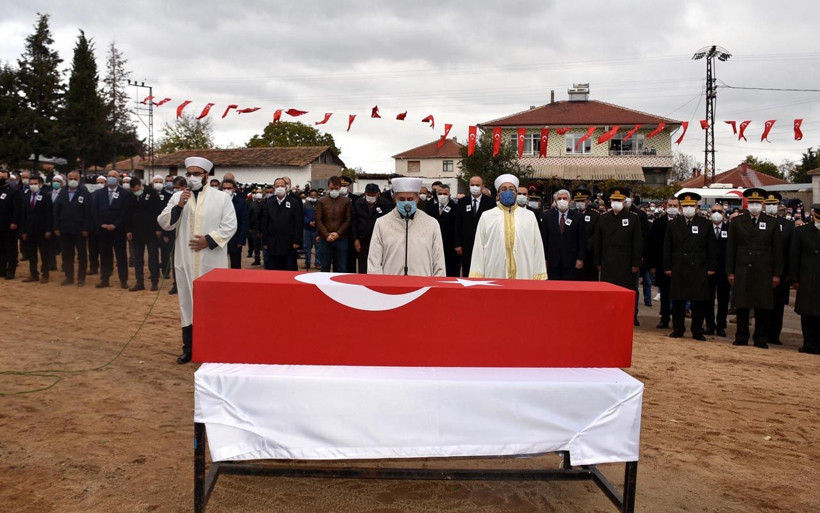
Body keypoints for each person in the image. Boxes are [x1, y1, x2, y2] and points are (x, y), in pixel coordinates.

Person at [157, 157, 237, 364]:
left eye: (196, 174)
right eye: (189, 173)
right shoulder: (177, 197)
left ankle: (213, 349)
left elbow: (230, 226)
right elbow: (164, 222)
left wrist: (208, 240)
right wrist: (179, 206)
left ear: (206, 176)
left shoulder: (221, 198)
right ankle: (189, 349)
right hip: (184, 260)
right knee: (187, 303)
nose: (192, 177)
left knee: (212, 305)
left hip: (211, 261)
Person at [727, 188, 783, 349]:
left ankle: (760, 338)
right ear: (747, 204)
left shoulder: (772, 222)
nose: (754, 205)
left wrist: (777, 273)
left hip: (763, 270)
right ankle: (741, 336)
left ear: (763, 204)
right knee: (742, 305)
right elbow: (731, 249)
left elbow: (777, 250)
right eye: (752, 202)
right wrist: (730, 272)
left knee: (762, 306)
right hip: (742, 268)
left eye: (757, 202)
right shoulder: (737, 222)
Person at [469, 174, 546, 280]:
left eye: (511, 189)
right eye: (504, 189)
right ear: (498, 194)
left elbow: (537, 246)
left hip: (524, 272)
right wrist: (477, 276)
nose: (508, 192)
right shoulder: (487, 216)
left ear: (516, 193)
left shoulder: (529, 216)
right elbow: (478, 247)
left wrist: (539, 274)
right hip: (494, 272)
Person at [663, 193, 716, 340]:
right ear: (681, 207)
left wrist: (711, 267)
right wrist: (667, 267)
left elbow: (711, 248)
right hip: (679, 267)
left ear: (697, 207)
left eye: (691, 206)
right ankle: (678, 328)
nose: (688, 208)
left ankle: (697, 330)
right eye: (685, 206)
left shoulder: (706, 224)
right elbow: (667, 248)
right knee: (678, 300)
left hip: (699, 267)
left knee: (698, 301)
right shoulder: (673, 224)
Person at [368, 177, 445, 276]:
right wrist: (378, 283)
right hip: (391, 282)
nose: (406, 203)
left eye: (410, 199)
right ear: (395, 199)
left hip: (423, 282)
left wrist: (437, 284)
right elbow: (374, 261)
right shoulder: (382, 223)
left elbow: (439, 261)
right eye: (401, 199)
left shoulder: (431, 223)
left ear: (417, 199)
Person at [596, 187, 642, 325]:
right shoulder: (603, 218)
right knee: (608, 291)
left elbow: (637, 242)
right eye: (614, 200)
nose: (616, 202)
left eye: (619, 200)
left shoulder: (633, 218)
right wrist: (598, 261)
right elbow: (598, 241)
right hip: (608, 261)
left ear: (624, 202)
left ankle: (627, 316)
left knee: (626, 291)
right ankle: (607, 316)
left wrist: (636, 263)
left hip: (625, 263)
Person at [92, 170, 131, 289]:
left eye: (113, 176)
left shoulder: (124, 194)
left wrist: (116, 224)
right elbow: (95, 211)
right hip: (103, 230)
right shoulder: (99, 193)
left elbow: (125, 212)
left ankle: (123, 280)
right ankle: (105, 279)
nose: (111, 178)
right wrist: (101, 224)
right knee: (105, 256)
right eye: (109, 176)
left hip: (118, 231)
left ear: (118, 179)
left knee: (121, 256)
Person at [53, 170, 92, 286]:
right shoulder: (62, 192)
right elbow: (56, 211)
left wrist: (86, 228)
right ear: (66, 180)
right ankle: (69, 277)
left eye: (75, 179)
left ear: (79, 180)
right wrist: (56, 227)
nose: (73, 181)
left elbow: (88, 213)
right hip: (64, 229)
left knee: (82, 255)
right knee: (66, 254)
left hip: (80, 230)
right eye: (70, 179)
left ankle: (81, 278)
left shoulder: (85, 193)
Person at [764, 193, 794, 345]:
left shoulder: (788, 225)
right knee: (762, 304)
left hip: (780, 272)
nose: (771, 206)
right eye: (768, 204)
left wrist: (789, 273)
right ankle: (761, 332)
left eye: (773, 204)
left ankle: (775, 334)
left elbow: (791, 250)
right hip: (762, 270)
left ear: (778, 205)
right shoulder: (758, 222)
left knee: (778, 306)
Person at [790, 204, 820, 354]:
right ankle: (808, 343)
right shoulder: (802, 231)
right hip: (808, 277)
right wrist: (794, 278)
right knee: (807, 313)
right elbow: (794, 256)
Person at [125, 177, 164, 291]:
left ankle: (154, 281)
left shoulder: (151, 193)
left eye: (136, 189)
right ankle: (139, 282)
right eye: (133, 190)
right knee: (138, 258)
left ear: (140, 185)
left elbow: (158, 211)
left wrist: (159, 228)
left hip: (151, 230)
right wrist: (128, 230)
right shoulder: (130, 196)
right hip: (136, 231)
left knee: (153, 258)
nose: (135, 192)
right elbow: (128, 213)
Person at [454, 175, 495, 277]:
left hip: (484, 243)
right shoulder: (462, 202)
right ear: (469, 186)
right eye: (472, 185)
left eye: (477, 185)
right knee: (467, 269)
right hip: (466, 244)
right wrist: (458, 244)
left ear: (482, 186)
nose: (474, 187)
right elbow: (457, 223)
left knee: (483, 268)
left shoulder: (490, 202)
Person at [542, 189, 586, 281]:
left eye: (564, 198)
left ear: (570, 201)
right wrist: (544, 259)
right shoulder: (547, 216)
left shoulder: (578, 217)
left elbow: (582, 240)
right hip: (552, 260)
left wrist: (580, 259)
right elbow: (544, 239)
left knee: (569, 286)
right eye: (559, 198)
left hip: (571, 261)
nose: (562, 200)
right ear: (555, 201)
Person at [648, 197, 679, 329]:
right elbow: (652, 244)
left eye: (675, 205)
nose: (672, 208)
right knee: (664, 293)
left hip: (679, 264)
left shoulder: (683, 222)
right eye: (670, 205)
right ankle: (664, 318)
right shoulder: (659, 222)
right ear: (666, 206)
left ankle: (678, 321)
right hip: (661, 263)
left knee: (678, 295)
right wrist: (652, 265)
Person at [260, 177, 301, 271]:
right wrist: (264, 242)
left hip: (289, 244)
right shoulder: (269, 203)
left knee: (289, 270)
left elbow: (298, 222)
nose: (280, 188)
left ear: (286, 188)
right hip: (273, 244)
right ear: (274, 188)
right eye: (277, 186)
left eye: (282, 186)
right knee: (274, 271)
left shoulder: (294, 202)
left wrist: (297, 241)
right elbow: (264, 223)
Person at [20, 175, 53, 283]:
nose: (33, 186)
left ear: (40, 184)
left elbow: (49, 214)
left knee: (44, 254)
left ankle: (45, 274)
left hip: (42, 230)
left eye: (35, 184)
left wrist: (48, 230)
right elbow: (23, 215)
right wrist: (23, 231)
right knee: (31, 254)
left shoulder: (46, 196)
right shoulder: (26, 197)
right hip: (30, 230)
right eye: (31, 184)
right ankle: (34, 274)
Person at [315, 176, 352, 272]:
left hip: (342, 239)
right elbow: (318, 220)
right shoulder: (321, 201)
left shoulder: (346, 201)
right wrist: (326, 235)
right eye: (331, 188)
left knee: (342, 267)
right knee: (324, 267)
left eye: (336, 188)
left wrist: (338, 233)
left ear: (340, 188)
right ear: (328, 187)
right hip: (325, 239)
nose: (334, 190)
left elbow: (348, 220)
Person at [351, 184, 391, 273]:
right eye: (369, 194)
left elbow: (388, 222)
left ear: (378, 194)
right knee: (363, 266)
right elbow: (354, 222)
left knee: (377, 264)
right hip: (363, 240)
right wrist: (355, 239)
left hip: (379, 240)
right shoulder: (358, 203)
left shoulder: (385, 204)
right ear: (365, 193)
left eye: (373, 195)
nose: (370, 197)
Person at [704, 203, 730, 337]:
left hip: (724, 271)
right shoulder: (706, 228)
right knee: (708, 299)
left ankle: (721, 326)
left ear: (724, 214)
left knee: (723, 300)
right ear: (709, 213)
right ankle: (710, 325)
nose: (716, 213)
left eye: (719, 211)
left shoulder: (729, 229)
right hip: (708, 270)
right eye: (714, 211)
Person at [425, 183, 459, 277]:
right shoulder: (431, 208)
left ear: (449, 195)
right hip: (434, 244)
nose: (442, 196)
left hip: (450, 246)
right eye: (440, 194)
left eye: (445, 194)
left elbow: (458, 226)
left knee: (450, 270)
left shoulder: (456, 208)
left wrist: (458, 244)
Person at [220, 178, 249, 269]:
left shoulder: (241, 203)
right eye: (224, 188)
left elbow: (244, 222)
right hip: (220, 238)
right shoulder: (217, 202)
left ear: (234, 189)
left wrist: (241, 240)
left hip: (235, 239)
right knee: (219, 264)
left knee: (235, 264)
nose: (226, 190)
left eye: (229, 188)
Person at [573, 189, 600, 282]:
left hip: (590, 256)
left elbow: (596, 234)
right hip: (574, 255)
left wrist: (584, 247)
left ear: (588, 201)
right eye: (577, 201)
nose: (579, 203)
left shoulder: (595, 215)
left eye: (582, 200)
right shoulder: (572, 214)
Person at [0, 169, 21, 279]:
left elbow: (17, 209)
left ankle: (11, 271)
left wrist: (15, 222)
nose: (1, 180)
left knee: (10, 249)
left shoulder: (14, 192)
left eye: (3, 178)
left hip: (9, 226)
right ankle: (2, 270)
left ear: (8, 179)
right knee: (1, 250)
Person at [302, 189, 320, 269]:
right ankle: (307, 263)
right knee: (306, 247)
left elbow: (322, 215)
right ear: (309, 196)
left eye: (314, 195)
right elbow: (302, 216)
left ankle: (318, 263)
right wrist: (308, 222)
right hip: (307, 228)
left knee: (318, 247)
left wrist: (316, 222)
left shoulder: (320, 204)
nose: (313, 197)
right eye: (312, 195)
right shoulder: (305, 205)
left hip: (317, 229)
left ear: (317, 196)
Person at [247, 188, 264, 266]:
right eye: (257, 192)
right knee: (255, 245)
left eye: (260, 192)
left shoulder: (266, 203)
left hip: (264, 228)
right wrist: (249, 227)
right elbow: (249, 216)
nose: (258, 194)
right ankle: (257, 259)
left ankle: (266, 260)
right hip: (254, 227)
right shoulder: (252, 204)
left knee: (264, 244)